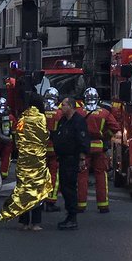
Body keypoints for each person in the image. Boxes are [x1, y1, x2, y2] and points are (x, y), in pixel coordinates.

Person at [0, 94, 52, 231]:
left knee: (23, 189)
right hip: (37, 159)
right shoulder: (42, 118)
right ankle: (36, 222)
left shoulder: (22, 118)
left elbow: (17, 136)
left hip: (24, 159)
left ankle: (24, 222)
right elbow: (45, 137)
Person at [77, 87, 121, 214]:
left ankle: (81, 204)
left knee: (82, 176)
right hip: (99, 146)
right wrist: (104, 135)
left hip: (84, 147)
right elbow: (115, 127)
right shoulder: (104, 113)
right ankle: (103, 205)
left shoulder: (79, 112)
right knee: (101, 175)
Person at [51, 96, 89, 230]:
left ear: (71, 106)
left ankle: (72, 217)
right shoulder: (63, 120)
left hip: (72, 159)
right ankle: (69, 214)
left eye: (64, 105)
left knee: (70, 188)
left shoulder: (78, 121)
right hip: (63, 158)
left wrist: (82, 159)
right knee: (64, 187)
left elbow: (82, 141)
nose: (61, 107)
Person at [44, 87, 61, 210]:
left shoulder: (40, 112)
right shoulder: (60, 113)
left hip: (41, 148)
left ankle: (40, 199)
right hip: (55, 148)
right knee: (54, 175)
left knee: (40, 174)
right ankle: (51, 200)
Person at [0, 96, 15, 181]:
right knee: (6, 157)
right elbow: (14, 130)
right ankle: (4, 173)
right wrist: (14, 142)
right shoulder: (11, 117)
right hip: (8, 140)